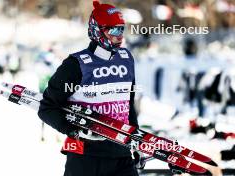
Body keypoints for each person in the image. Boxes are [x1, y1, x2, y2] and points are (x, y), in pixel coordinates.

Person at [38, 1, 185, 176]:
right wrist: (75, 131)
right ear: (97, 30)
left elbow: (128, 106)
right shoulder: (75, 65)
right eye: (113, 30)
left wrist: (136, 143)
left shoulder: (126, 59)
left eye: (121, 29)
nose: (119, 35)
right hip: (85, 158)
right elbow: (47, 108)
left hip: (121, 156)